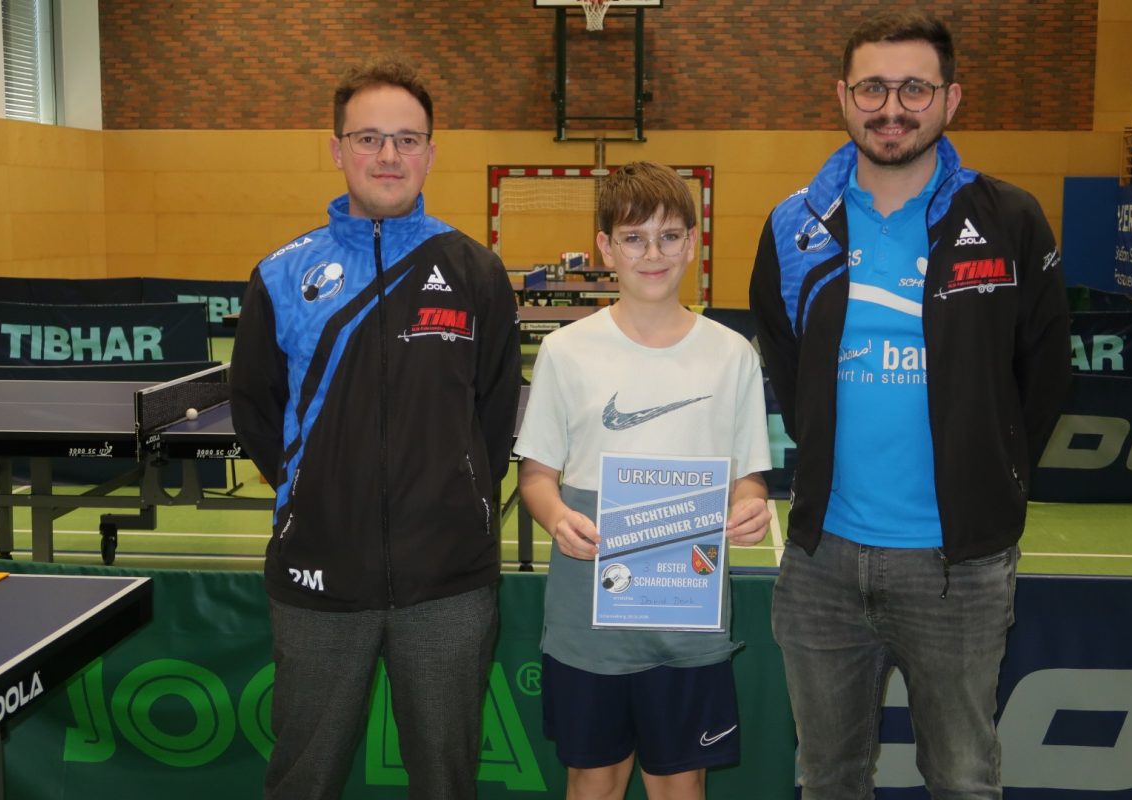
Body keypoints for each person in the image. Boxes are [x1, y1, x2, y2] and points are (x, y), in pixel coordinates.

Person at [749, 11, 1072, 798]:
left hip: (959, 568)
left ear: (951, 99)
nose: (891, 108)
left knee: (963, 778)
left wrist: (988, 475)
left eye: (915, 89)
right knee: (828, 777)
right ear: (843, 96)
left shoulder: (1009, 219)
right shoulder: (796, 226)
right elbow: (785, 364)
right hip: (822, 562)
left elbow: (1043, 376)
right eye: (872, 88)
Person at [229, 58, 521, 800]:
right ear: (337, 149)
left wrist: (459, 500)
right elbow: (255, 410)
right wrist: (315, 498)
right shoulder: (282, 275)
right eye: (369, 138)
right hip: (318, 579)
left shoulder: (476, 271)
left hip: (449, 583)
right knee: (303, 781)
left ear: (430, 152)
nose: (389, 155)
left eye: (407, 139)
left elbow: (494, 415)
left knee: (447, 783)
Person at [515, 160, 773, 800]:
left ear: (691, 242)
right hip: (588, 612)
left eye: (668, 236)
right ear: (606, 247)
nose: (652, 254)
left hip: (688, 612)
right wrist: (557, 517)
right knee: (593, 780)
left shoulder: (732, 354)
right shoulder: (566, 351)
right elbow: (538, 475)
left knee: (680, 784)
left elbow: (749, 480)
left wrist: (749, 508)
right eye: (634, 238)